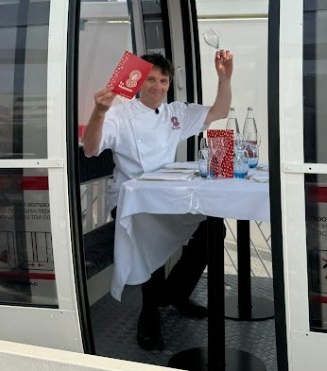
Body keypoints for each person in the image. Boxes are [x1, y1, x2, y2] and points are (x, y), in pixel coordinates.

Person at [83, 50, 233, 350]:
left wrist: (224, 78)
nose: (158, 86)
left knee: (213, 230)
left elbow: (219, 112)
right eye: (151, 79)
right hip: (130, 199)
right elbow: (90, 149)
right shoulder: (119, 114)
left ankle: (176, 292)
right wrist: (98, 112)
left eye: (163, 80)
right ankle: (148, 315)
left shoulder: (174, 113)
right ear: (138, 82)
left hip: (167, 195)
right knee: (147, 235)